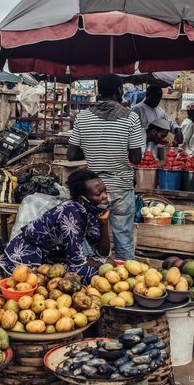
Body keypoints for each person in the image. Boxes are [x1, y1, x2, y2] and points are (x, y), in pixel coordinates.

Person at [68, 73, 145, 260]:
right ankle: (126, 275)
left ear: (99, 92)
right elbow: (136, 158)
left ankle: (93, 276)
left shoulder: (82, 118)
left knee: (92, 238)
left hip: (93, 191)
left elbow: (71, 155)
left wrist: (91, 149)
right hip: (121, 187)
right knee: (123, 238)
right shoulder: (131, 118)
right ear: (119, 91)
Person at [0, 170, 113, 283]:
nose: (105, 197)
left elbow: (101, 253)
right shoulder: (71, 212)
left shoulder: (89, 211)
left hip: (52, 255)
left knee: (106, 262)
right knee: (92, 274)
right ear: (82, 199)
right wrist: (103, 267)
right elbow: (77, 261)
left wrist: (104, 223)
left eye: (105, 191)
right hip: (29, 257)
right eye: (98, 194)